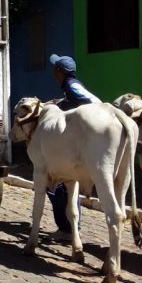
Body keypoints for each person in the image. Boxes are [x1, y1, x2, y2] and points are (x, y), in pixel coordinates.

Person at [47, 54, 100, 240]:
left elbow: (90, 104)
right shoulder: (73, 85)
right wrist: (60, 103)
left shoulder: (71, 86)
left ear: (59, 72)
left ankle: (66, 228)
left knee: (55, 185)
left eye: (55, 68)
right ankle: (71, 226)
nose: (53, 71)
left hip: (76, 145)